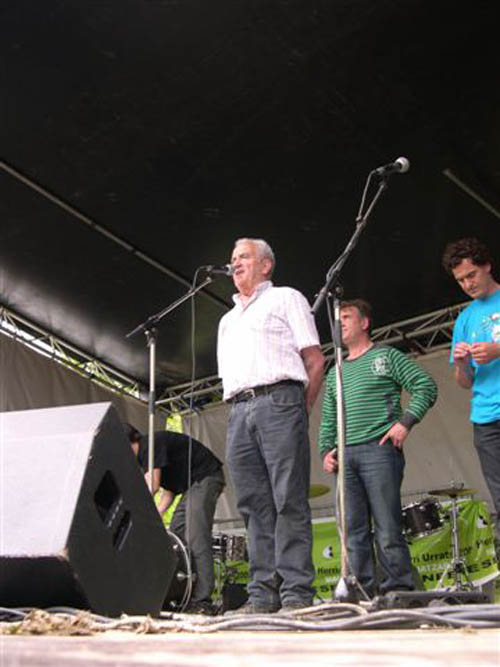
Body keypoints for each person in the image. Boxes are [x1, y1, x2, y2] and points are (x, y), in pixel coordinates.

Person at [217, 238, 325, 613]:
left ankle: (296, 593)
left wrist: (300, 408)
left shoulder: (286, 298)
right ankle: (262, 594)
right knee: (252, 505)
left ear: (266, 265)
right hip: (238, 409)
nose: (235, 264)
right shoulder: (227, 320)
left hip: (280, 399)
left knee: (288, 499)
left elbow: (315, 359)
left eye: (244, 257)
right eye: (232, 259)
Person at [318, 299, 437, 598]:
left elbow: (425, 385)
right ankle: (361, 593)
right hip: (345, 456)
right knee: (352, 530)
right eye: (338, 319)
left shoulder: (386, 356)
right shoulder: (335, 372)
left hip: (379, 450)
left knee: (387, 526)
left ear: (364, 322)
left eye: (347, 317)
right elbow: (329, 417)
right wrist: (325, 451)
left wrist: (405, 423)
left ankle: (398, 590)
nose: (340, 323)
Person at [125, 424, 225, 615]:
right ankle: (184, 591)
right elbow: (168, 491)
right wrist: (157, 514)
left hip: (206, 476)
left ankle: (202, 599)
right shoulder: (148, 454)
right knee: (177, 533)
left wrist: (135, 511)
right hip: (192, 486)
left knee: (196, 536)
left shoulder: (149, 444)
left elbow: (153, 485)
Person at [442, 237, 500, 544]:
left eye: (471, 275)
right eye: (461, 280)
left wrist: (497, 350)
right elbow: (464, 382)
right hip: (485, 418)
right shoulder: (465, 319)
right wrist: (462, 364)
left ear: (487, 265)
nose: (467, 284)